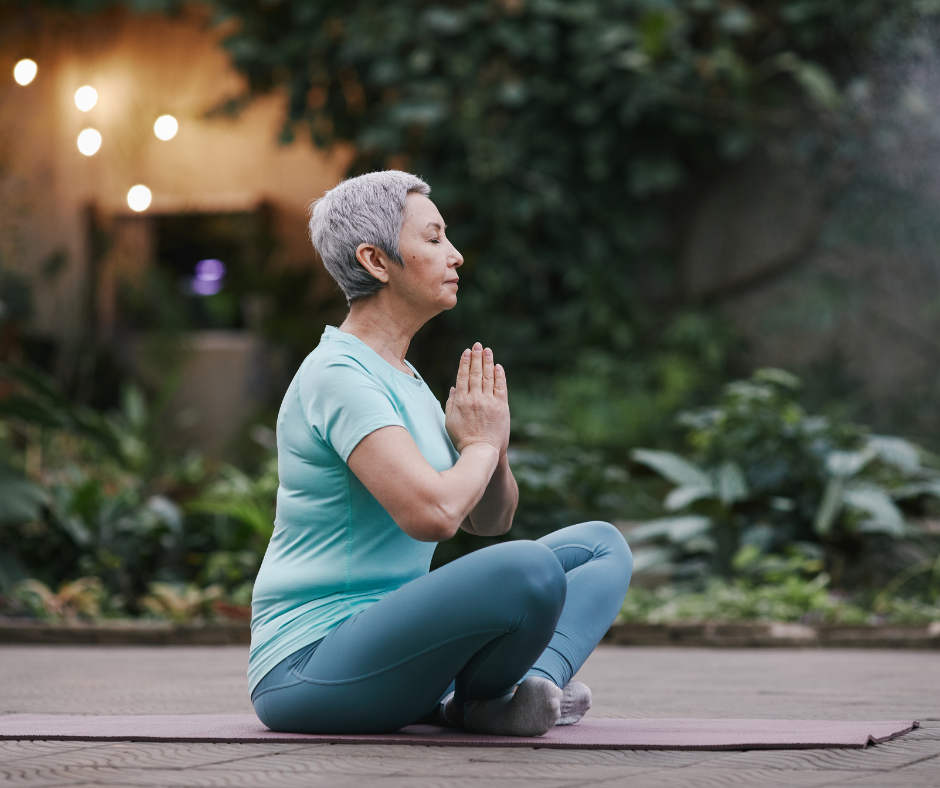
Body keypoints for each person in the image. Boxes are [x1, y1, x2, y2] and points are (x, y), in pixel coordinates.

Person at [249, 171, 633, 737]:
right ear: (376, 261)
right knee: (528, 568)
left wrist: (493, 445)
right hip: (310, 665)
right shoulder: (338, 374)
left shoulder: (405, 377)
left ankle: (519, 693)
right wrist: (476, 444)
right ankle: (478, 700)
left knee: (600, 546)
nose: (454, 256)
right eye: (433, 239)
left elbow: (489, 519)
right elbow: (432, 516)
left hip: (394, 653)